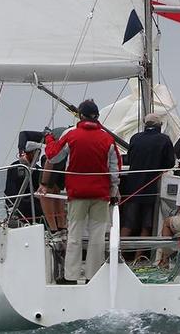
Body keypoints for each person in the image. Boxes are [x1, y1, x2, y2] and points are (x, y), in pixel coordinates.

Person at [43, 99, 121, 284]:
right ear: (97, 117)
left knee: (75, 236)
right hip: (101, 195)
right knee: (97, 237)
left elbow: (53, 156)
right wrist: (114, 191)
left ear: (80, 115)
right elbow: (115, 169)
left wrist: (48, 138)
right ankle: (93, 277)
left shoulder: (71, 134)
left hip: (77, 194)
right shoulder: (107, 139)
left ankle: (70, 276)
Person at [120, 114, 175, 258]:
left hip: (132, 187)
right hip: (151, 188)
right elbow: (170, 163)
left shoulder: (135, 138)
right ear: (159, 126)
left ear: (145, 124)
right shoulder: (164, 139)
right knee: (147, 224)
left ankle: (117, 255)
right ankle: (139, 258)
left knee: (128, 223)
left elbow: (130, 159)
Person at [3, 140, 42, 225]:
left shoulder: (37, 169)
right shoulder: (15, 167)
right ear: (32, 153)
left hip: (35, 205)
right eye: (37, 153)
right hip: (20, 205)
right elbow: (10, 190)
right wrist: (11, 206)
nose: (38, 156)